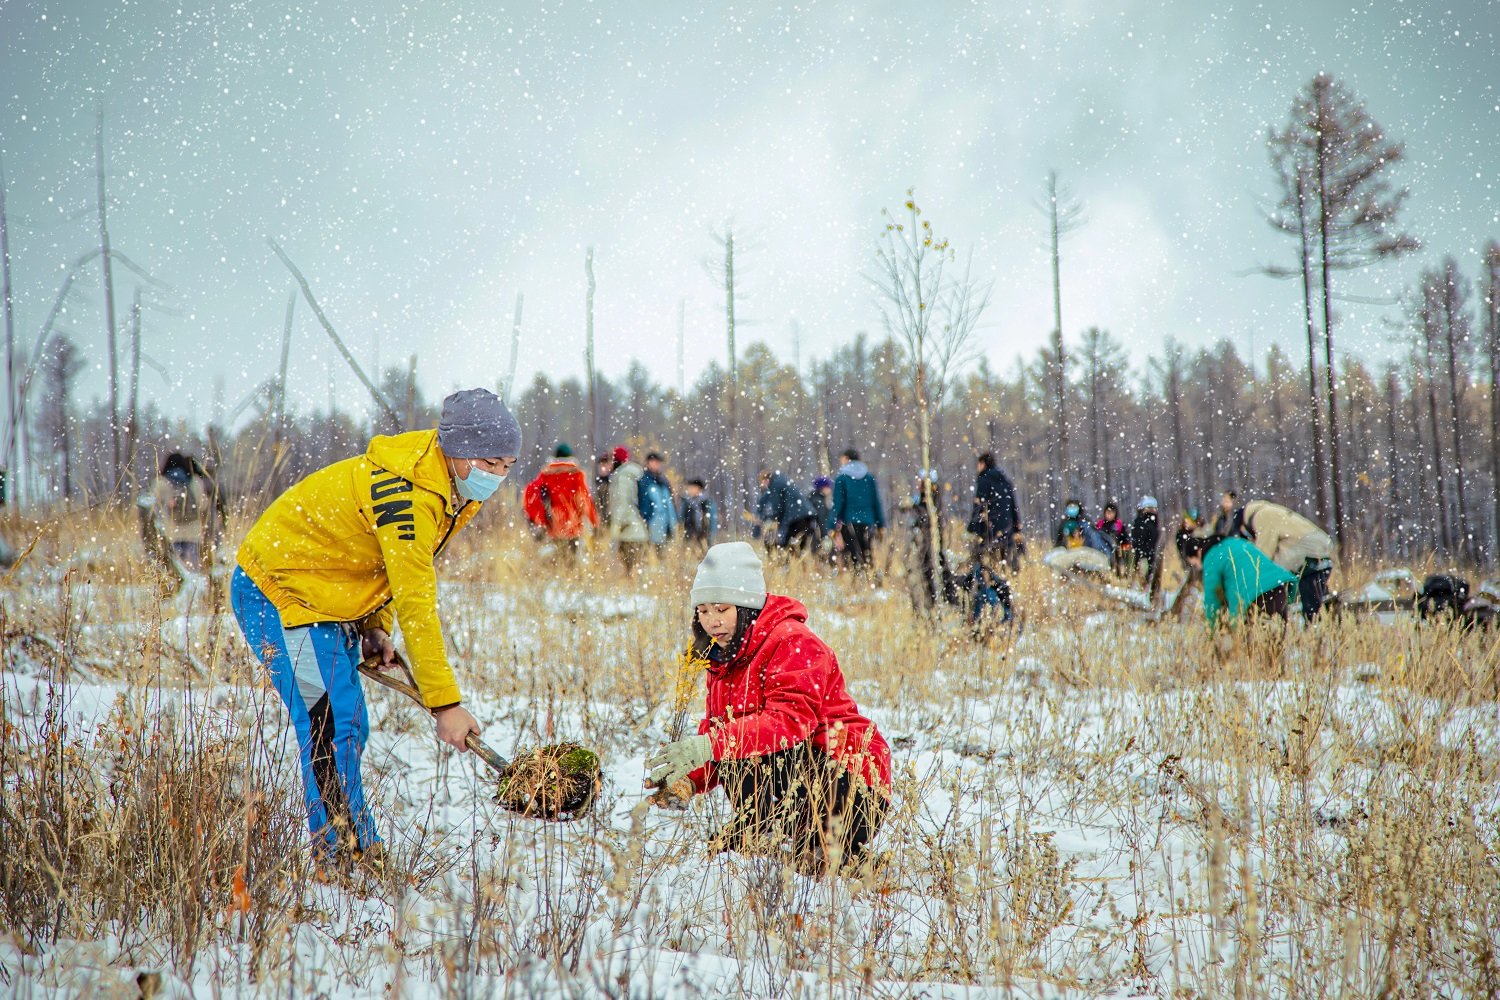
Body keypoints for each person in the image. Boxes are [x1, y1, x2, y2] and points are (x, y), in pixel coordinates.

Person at [231, 388, 520, 866]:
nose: (498, 476)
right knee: (330, 725)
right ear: (458, 448)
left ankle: (354, 844)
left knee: (349, 725)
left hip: (326, 594)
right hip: (281, 591)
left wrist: (374, 626)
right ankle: (343, 857)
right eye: (490, 462)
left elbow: (381, 563)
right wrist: (446, 704)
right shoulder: (409, 494)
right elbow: (416, 600)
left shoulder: (446, 482)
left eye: (507, 465)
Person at [646, 542, 892, 877]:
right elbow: (722, 731)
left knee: (809, 861)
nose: (712, 621)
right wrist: (688, 779)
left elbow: (788, 723)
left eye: (722, 609)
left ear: (746, 606)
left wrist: (709, 745)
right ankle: (790, 839)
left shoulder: (793, 640)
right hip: (795, 777)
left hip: (849, 780)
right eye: (702, 611)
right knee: (726, 852)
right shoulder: (723, 655)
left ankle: (826, 848)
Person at [1237, 500, 1336, 620]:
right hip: (1318, 545)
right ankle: (1333, 615)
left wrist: (1250, 577)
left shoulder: (1261, 515)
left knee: (1286, 578)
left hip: (1309, 550)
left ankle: (1296, 615)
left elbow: (1263, 554)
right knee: (1317, 596)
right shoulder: (1268, 510)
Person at [1180, 533, 1297, 627]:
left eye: (1195, 564)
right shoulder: (1236, 542)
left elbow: (1212, 598)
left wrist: (1212, 632)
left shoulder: (1211, 557)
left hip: (1256, 598)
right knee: (1275, 643)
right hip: (1278, 589)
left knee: (1255, 645)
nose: (1199, 568)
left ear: (1198, 552)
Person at [522, 443, 599, 557]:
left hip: (553, 527)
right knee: (571, 560)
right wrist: (594, 521)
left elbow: (532, 495)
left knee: (556, 559)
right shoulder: (576, 475)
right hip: (573, 527)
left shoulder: (546, 475)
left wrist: (540, 520)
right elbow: (584, 501)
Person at [147, 452, 211, 571]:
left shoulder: (161, 482)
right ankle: (194, 581)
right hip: (193, 531)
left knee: (176, 567)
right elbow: (203, 505)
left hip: (172, 531)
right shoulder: (195, 481)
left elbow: (153, 507)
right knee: (193, 567)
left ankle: (179, 581)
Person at [831, 449, 886, 571]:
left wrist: (832, 525)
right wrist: (881, 525)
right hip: (868, 523)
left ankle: (855, 579)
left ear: (846, 459)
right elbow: (876, 503)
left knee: (851, 558)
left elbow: (838, 504)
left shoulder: (842, 478)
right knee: (867, 556)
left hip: (849, 523)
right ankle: (868, 578)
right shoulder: (869, 478)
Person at [966, 453, 1020, 570]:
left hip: (989, 530)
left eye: (978, 464)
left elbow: (979, 506)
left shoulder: (984, 480)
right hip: (1007, 530)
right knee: (1006, 565)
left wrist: (972, 528)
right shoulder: (1006, 481)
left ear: (983, 464)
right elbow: (1013, 506)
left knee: (987, 566)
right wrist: (1016, 528)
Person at [757, 469, 821, 553]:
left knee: (785, 545)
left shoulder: (775, 485)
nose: (763, 486)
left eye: (762, 483)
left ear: (766, 480)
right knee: (801, 546)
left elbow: (777, 507)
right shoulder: (782, 480)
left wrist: (770, 518)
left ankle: (785, 559)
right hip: (807, 515)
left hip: (796, 518)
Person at [608, 448, 649, 573]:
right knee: (638, 567)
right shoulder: (635, 473)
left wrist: (617, 523)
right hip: (638, 527)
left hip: (628, 528)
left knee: (628, 569)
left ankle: (630, 582)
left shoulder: (622, 476)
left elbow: (622, 501)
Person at [638, 452, 678, 547]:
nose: (657, 464)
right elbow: (643, 504)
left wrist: (673, 522)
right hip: (651, 527)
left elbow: (670, 504)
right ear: (648, 463)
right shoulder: (643, 481)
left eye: (658, 462)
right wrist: (645, 521)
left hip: (666, 527)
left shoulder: (663, 481)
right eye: (654, 462)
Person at [680, 478, 718, 550]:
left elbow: (712, 520)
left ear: (699, 488)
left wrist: (711, 535)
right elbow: (681, 517)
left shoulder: (707, 501)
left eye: (692, 488)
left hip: (704, 535)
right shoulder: (687, 502)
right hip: (690, 535)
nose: (689, 490)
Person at [1130, 496, 1161, 582]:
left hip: (1147, 557)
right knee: (1144, 580)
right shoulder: (1142, 523)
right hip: (1143, 558)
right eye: (1150, 508)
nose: (1153, 511)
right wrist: (1142, 557)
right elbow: (1139, 543)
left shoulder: (1150, 523)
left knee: (1147, 579)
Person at [1095, 501, 1130, 574]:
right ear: (1104, 513)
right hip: (1103, 546)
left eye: (1112, 513)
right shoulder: (1100, 524)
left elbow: (1124, 537)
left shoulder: (1118, 524)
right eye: (1108, 512)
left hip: (1115, 548)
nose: (1109, 515)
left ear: (1115, 514)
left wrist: (1125, 546)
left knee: (1117, 559)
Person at [594, 450, 620, 526]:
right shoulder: (598, 483)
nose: (603, 466)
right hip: (601, 518)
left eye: (606, 463)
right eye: (602, 463)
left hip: (610, 517)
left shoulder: (613, 481)